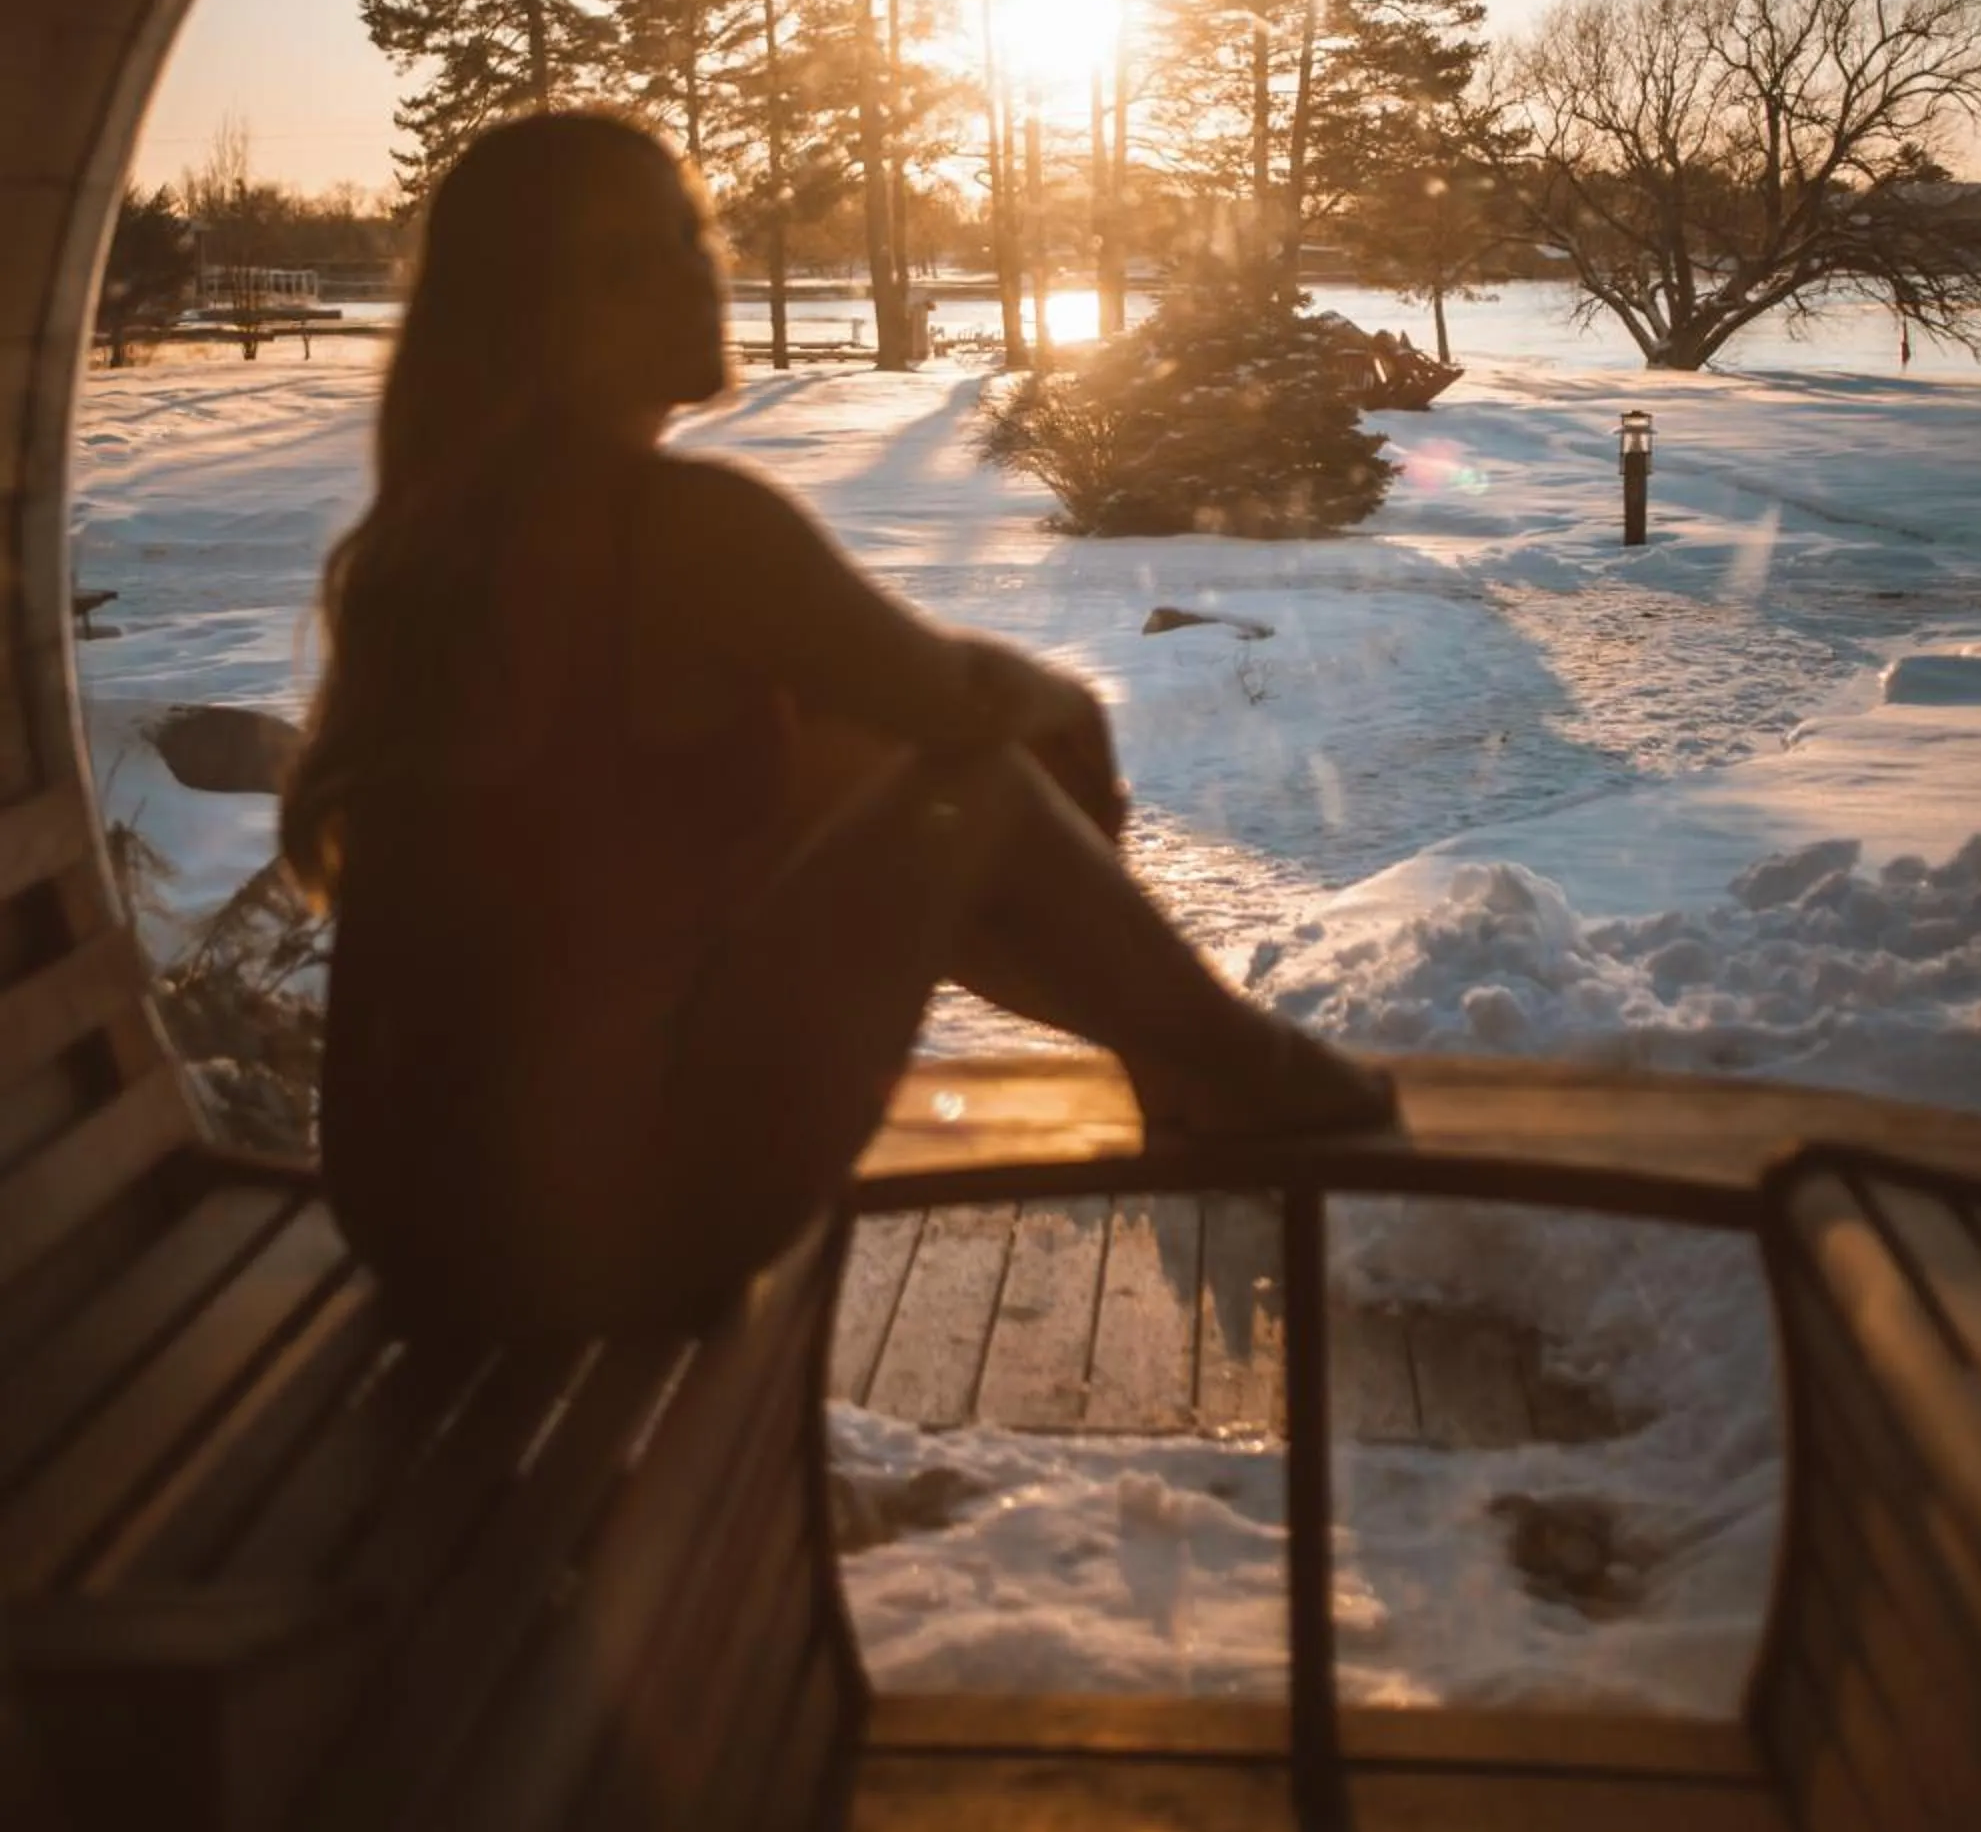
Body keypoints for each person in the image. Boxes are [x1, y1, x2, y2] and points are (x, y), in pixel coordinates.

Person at [282, 111, 1390, 1342]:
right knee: (975, 790)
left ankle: (1176, 1059)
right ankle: (1236, 1068)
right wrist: (1057, 702)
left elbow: (877, 704)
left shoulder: (434, 538)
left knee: (864, 761)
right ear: (519, 317)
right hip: (588, 1243)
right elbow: (956, 707)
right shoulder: (679, 523)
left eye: (687, 236)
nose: (686, 277)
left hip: (415, 1226)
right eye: (618, 265)